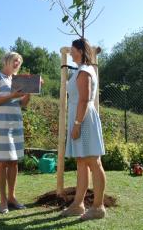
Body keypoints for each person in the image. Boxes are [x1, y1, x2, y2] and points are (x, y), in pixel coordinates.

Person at [61, 38, 107, 220]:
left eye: (72, 50)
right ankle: (78, 205)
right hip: (80, 119)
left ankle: (98, 207)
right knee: (82, 163)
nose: (70, 53)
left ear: (79, 51)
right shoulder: (81, 70)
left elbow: (84, 100)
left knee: (94, 163)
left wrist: (77, 124)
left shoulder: (85, 71)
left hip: (84, 121)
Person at [0, 52, 30, 214]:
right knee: (2, 162)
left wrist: (31, 90)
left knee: (14, 161)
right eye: (15, 60)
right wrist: (12, 95)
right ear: (7, 61)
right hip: (1, 124)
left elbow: (23, 104)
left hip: (15, 123)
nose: (18, 62)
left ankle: (12, 197)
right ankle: (3, 200)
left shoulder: (18, 81)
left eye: (20, 61)